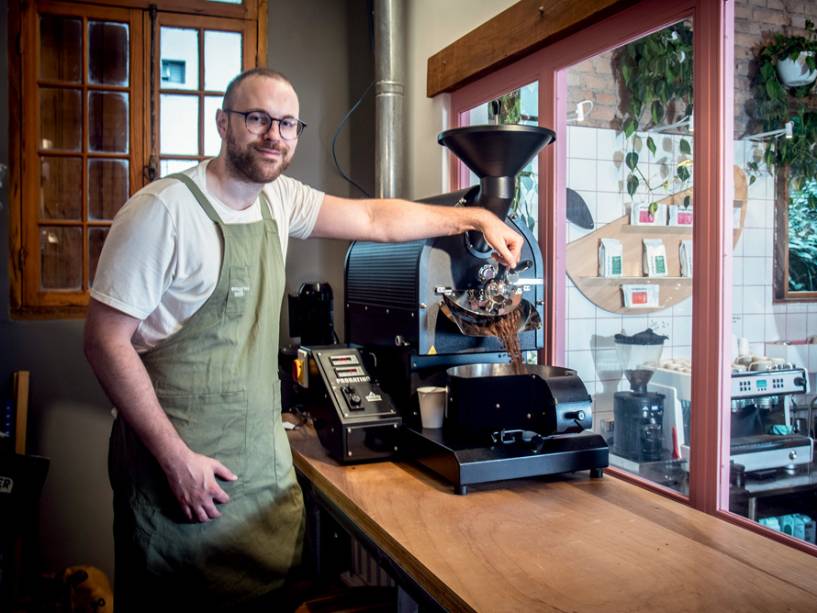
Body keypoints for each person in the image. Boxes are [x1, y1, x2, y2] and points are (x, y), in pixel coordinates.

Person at [83, 67, 522, 610]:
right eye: (257, 118)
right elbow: (104, 343)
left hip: (254, 473)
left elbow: (375, 218)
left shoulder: (279, 200)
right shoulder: (163, 212)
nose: (273, 135)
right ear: (223, 123)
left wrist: (474, 218)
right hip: (178, 474)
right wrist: (176, 460)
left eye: (287, 124)